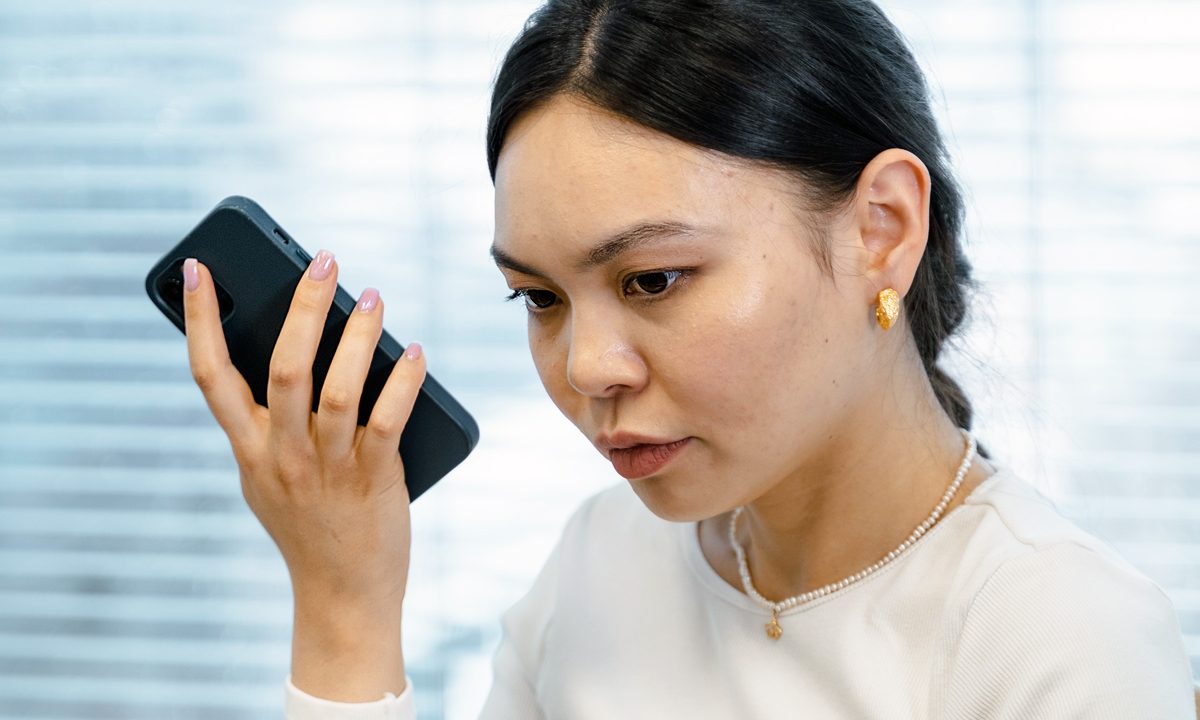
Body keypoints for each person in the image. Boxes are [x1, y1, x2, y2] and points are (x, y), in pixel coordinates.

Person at [179, 0, 1195, 717]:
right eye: (538, 297)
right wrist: (346, 604)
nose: (585, 369)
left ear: (880, 228)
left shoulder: (1063, 643)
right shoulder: (597, 566)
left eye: (652, 280)